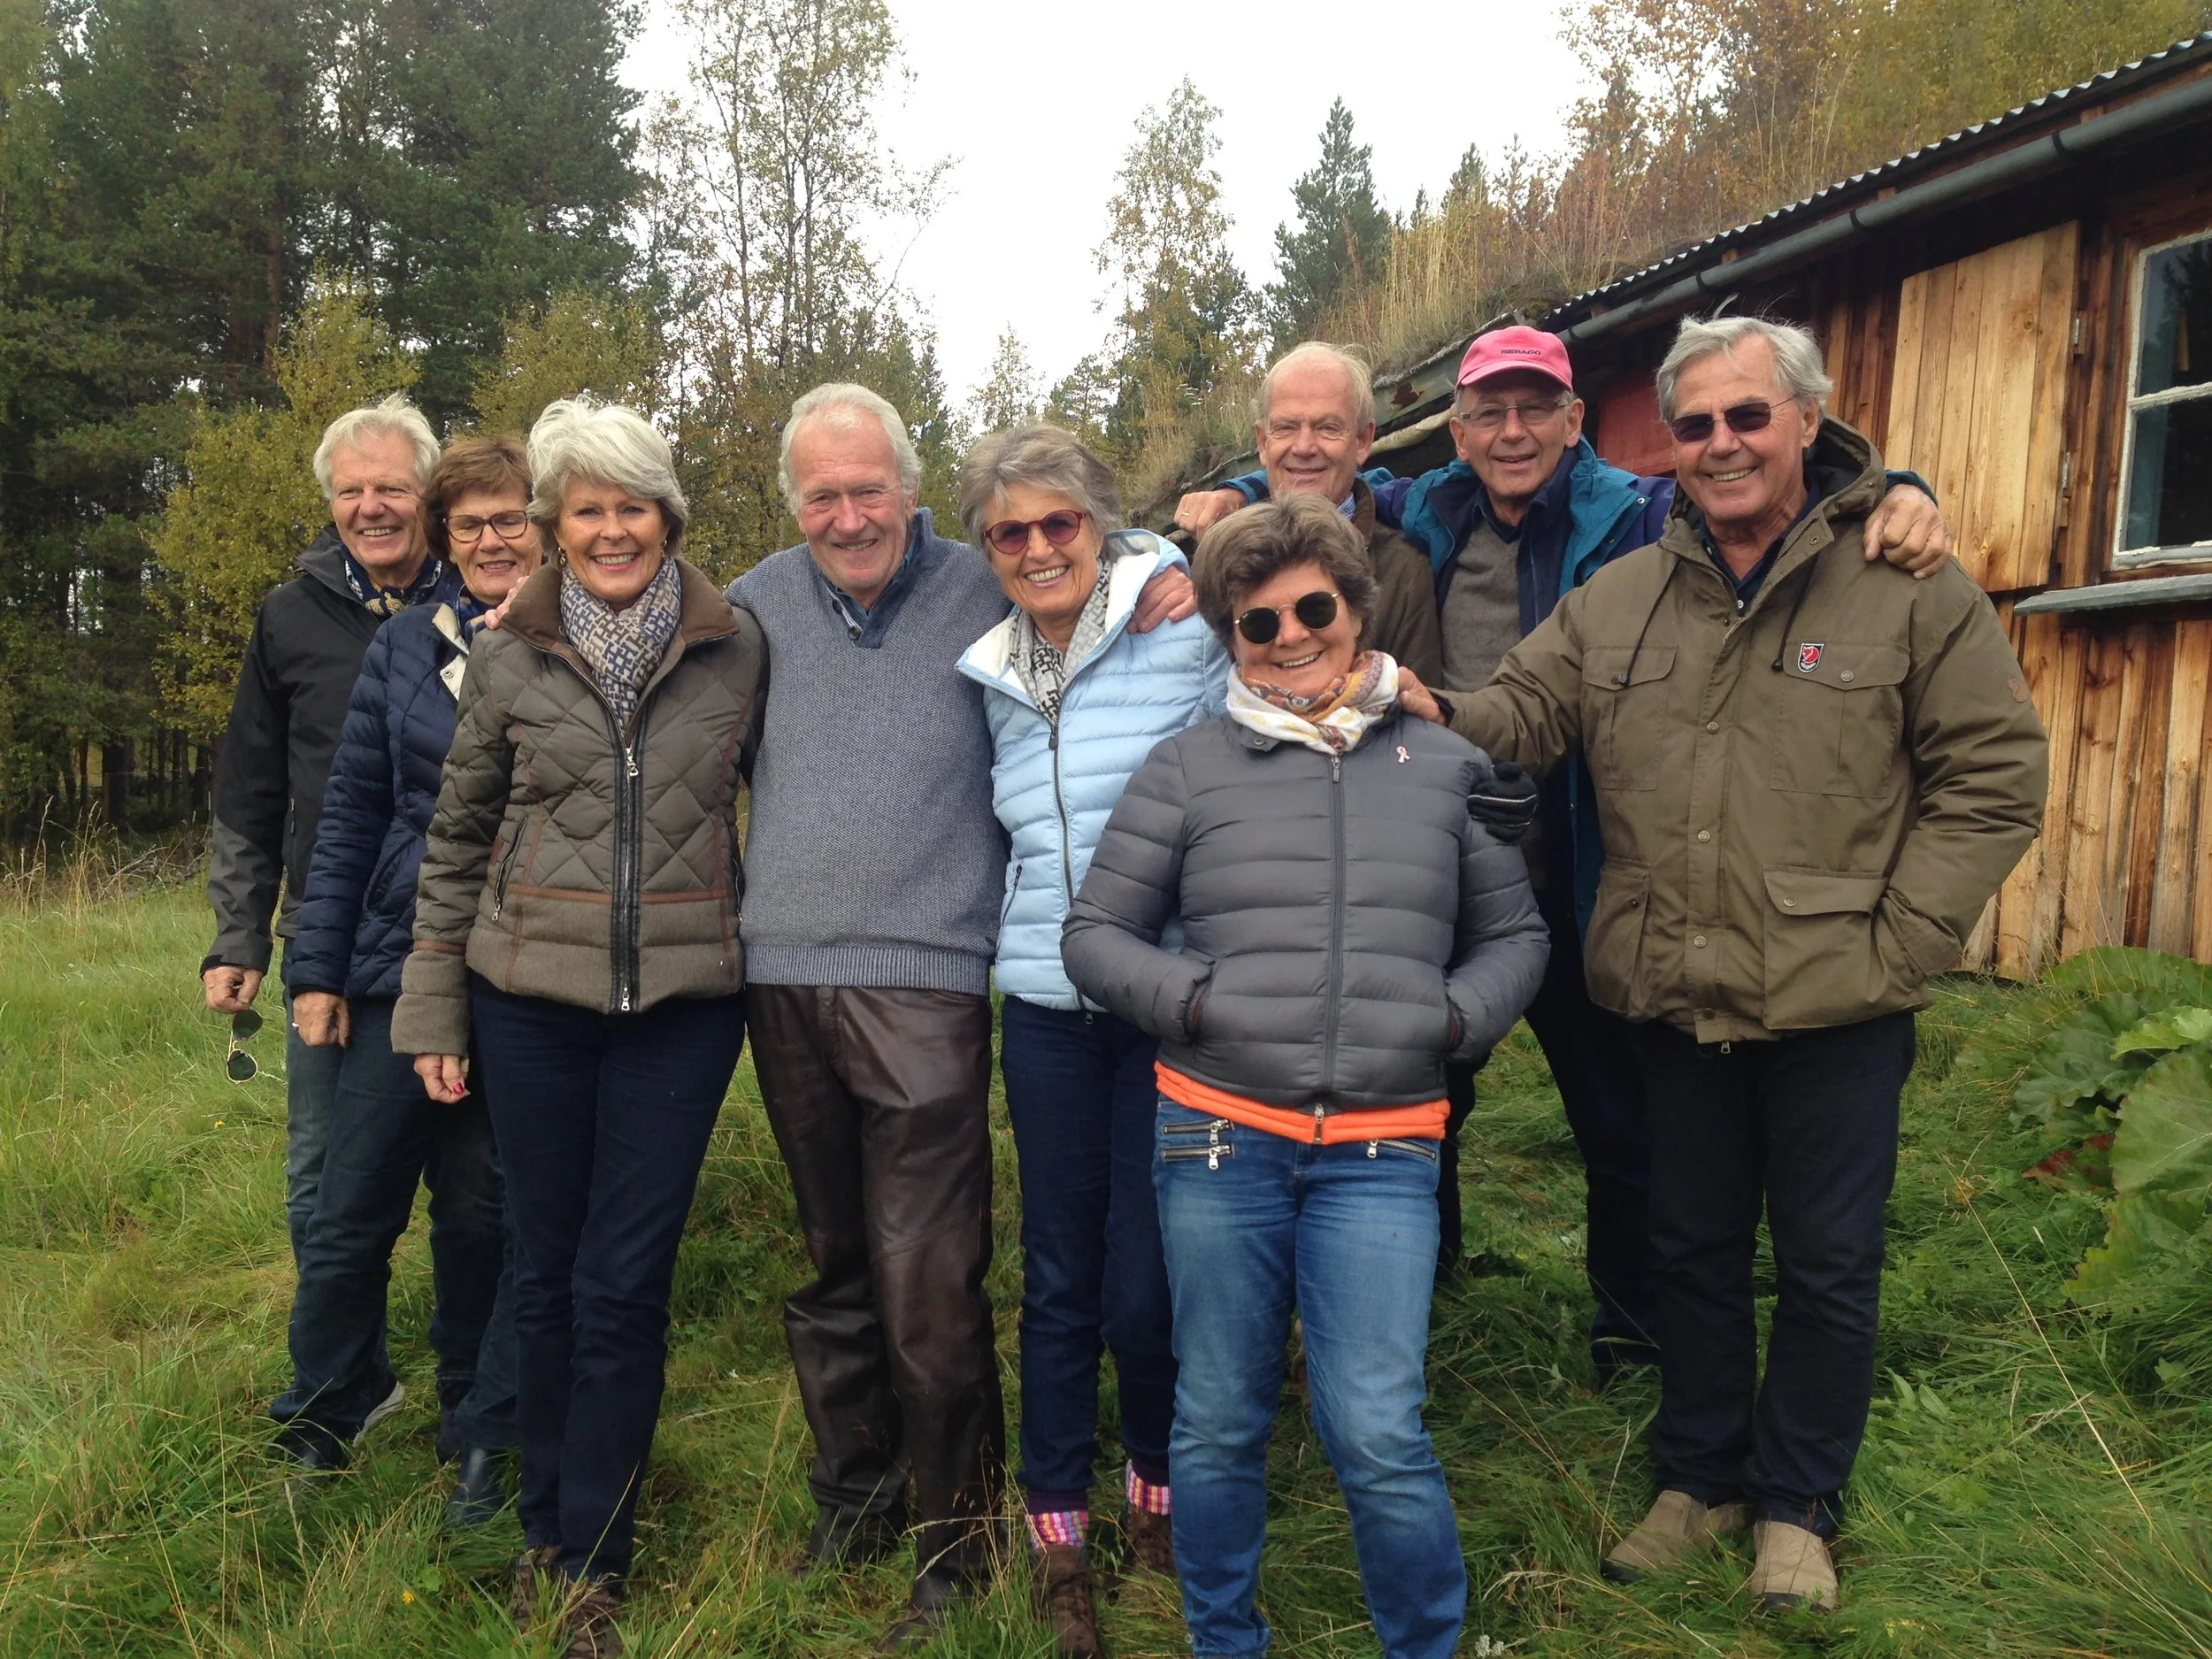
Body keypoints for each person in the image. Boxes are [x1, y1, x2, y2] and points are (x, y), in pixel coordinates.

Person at [1404, 317, 2047, 1610]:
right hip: (1672, 987)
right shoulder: (1626, 593)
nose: (1722, 444)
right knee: (1688, 1244)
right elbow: (1520, 711)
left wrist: (1904, 938)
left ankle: (1797, 1502)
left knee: (1824, 1259)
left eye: (1748, 416)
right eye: (1694, 425)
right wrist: (1415, 700)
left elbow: (1994, 777)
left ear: (1807, 419)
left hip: (1840, 1000)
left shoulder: (1904, 585)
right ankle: (1697, 1474)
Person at [1178, 325, 1955, 1379]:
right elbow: (1314, 476)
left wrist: (1895, 488)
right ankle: (1409, 1291)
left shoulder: (1642, 512)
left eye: (1535, 408)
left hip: (1594, 864)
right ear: (1454, 432)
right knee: (1414, 1097)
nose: (1512, 432)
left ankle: (1632, 1327)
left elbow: (1778, 482)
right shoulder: (1428, 511)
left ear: (1574, 420)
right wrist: (1227, 495)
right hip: (1449, 871)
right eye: (1487, 412)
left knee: (1620, 1118)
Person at [725, 383, 1194, 1648]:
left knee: (928, 1270)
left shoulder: (977, 582)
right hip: (782, 973)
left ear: (911, 487)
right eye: (821, 495)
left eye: (867, 488)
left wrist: (1166, 558)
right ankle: (855, 1491)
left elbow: (1085, 557)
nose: (848, 515)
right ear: (794, 503)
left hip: (930, 972)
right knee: (832, 1260)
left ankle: (958, 1531)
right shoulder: (756, 604)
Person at [1063, 494, 1550, 1659]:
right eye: (1257, 621)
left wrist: (1454, 1021)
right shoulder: (1186, 768)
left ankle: (1422, 1643)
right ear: (1231, 637)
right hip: (1218, 1136)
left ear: (1356, 609)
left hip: (1384, 1142)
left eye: (1312, 609)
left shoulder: (1448, 765)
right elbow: (1094, 935)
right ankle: (1224, 1638)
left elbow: (1516, 936)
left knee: (1377, 1427)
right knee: (1219, 1415)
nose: (1289, 637)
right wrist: (1196, 1003)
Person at [394, 397, 765, 1659]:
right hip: (528, 1003)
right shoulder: (508, 653)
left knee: (625, 1281)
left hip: (683, 1011)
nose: (613, 530)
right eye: (588, 508)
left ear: (669, 517)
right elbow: (457, 841)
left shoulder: (736, 647)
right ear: (555, 523)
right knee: (546, 1268)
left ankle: (595, 1560)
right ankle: (542, 1525)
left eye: (634, 506)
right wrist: (434, 1003)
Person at [952, 426, 1228, 1658]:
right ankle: (1055, 1520)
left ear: (1101, 526)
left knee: (1146, 1278)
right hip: (1045, 1006)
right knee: (1059, 1272)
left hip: (1165, 1000)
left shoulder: (1184, 622)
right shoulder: (990, 672)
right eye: (1008, 531)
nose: (1036, 548)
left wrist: (1192, 557)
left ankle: (1157, 1488)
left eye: (1059, 522)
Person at [269, 437, 542, 1518]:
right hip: (394, 965)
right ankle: (328, 1403)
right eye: (468, 524)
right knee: (350, 1206)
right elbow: (349, 816)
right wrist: (318, 969)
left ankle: (475, 1418)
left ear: (543, 524)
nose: (490, 540)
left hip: (514, 976)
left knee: (481, 1211)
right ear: (445, 538)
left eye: (510, 518)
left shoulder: (574, 640)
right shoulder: (406, 646)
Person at [203, 396, 455, 1270]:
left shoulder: (482, 603)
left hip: (461, 931)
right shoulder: (289, 616)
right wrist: (238, 935)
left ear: (429, 495)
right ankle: (333, 1344)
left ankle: (473, 1341)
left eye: (392, 488)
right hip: (329, 932)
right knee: (322, 1166)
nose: (370, 507)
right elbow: (250, 789)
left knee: (471, 1173)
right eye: (350, 491)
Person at [1247, 342, 1443, 685]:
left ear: (1363, 441)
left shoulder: (1404, 572)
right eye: (1286, 427)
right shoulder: (1225, 567)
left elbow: (1417, 710)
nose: (1304, 447)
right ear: (1263, 443)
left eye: (1327, 427)